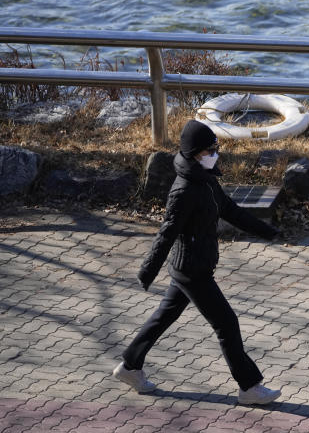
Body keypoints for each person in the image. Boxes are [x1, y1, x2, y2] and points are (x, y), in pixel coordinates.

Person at [112, 120, 283, 405]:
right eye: (209, 150)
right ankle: (249, 387)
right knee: (227, 324)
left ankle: (130, 366)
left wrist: (268, 231)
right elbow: (167, 232)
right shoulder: (184, 191)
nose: (215, 153)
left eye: (216, 148)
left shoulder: (206, 179)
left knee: (163, 317)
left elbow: (230, 210)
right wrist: (148, 270)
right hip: (192, 269)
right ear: (194, 153)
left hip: (193, 266)